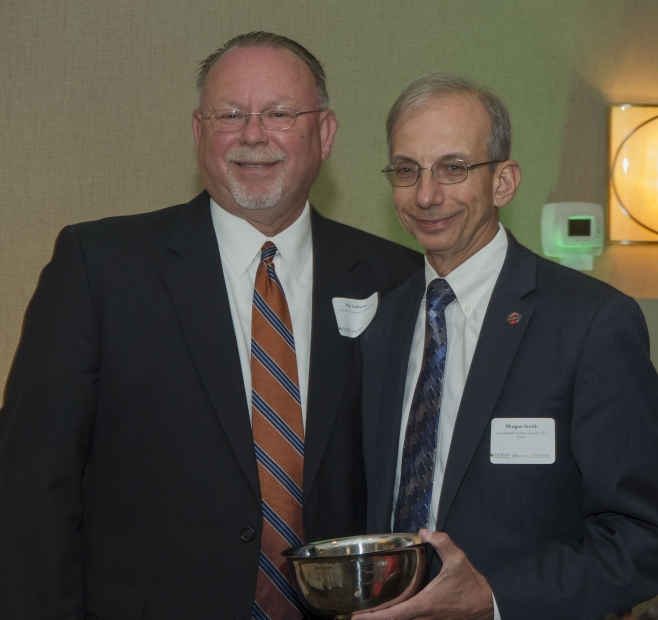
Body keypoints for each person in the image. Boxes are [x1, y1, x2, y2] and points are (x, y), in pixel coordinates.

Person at [0, 32, 422, 619]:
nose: (253, 134)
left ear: (324, 133)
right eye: (230, 115)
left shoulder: (396, 277)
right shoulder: (100, 266)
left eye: (278, 113)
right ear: (199, 132)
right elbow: (31, 486)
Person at [360, 74, 658, 620]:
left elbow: (643, 535)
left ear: (503, 182)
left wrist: (493, 598)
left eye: (453, 168)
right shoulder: (382, 324)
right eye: (407, 171)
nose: (426, 195)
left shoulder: (590, 323)